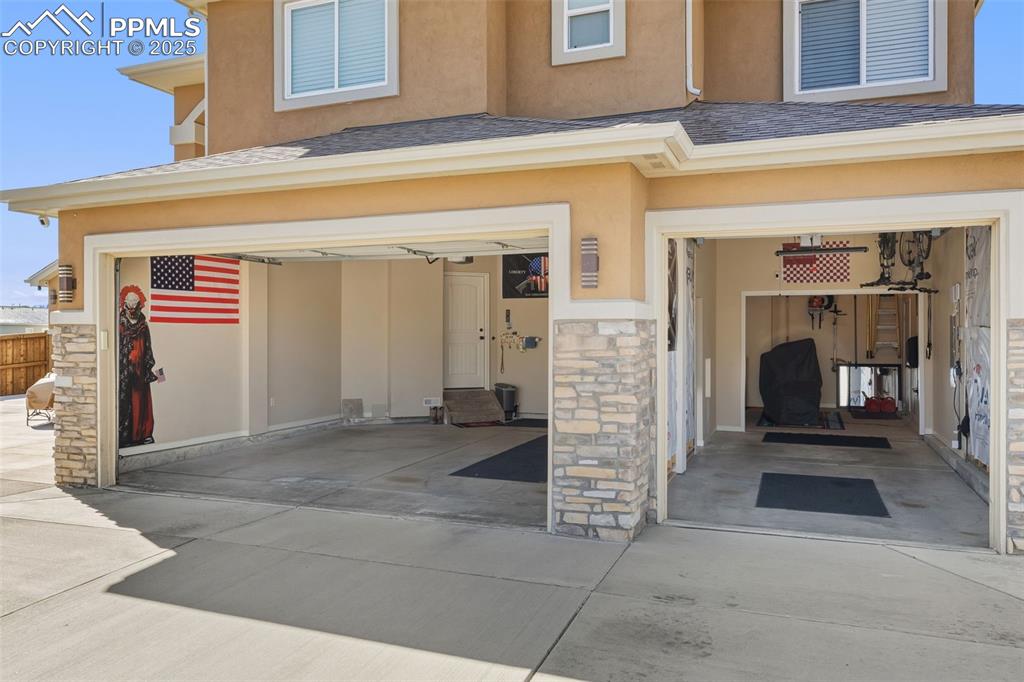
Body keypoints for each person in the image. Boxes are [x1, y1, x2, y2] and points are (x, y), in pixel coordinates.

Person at [118, 285, 157, 447]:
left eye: (136, 301)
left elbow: (147, 346)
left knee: (140, 401)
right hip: (124, 370)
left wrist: (148, 365)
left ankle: (143, 434)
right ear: (124, 302)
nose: (133, 304)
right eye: (130, 301)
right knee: (125, 401)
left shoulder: (143, 324)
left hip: (140, 370)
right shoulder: (120, 323)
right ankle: (125, 436)